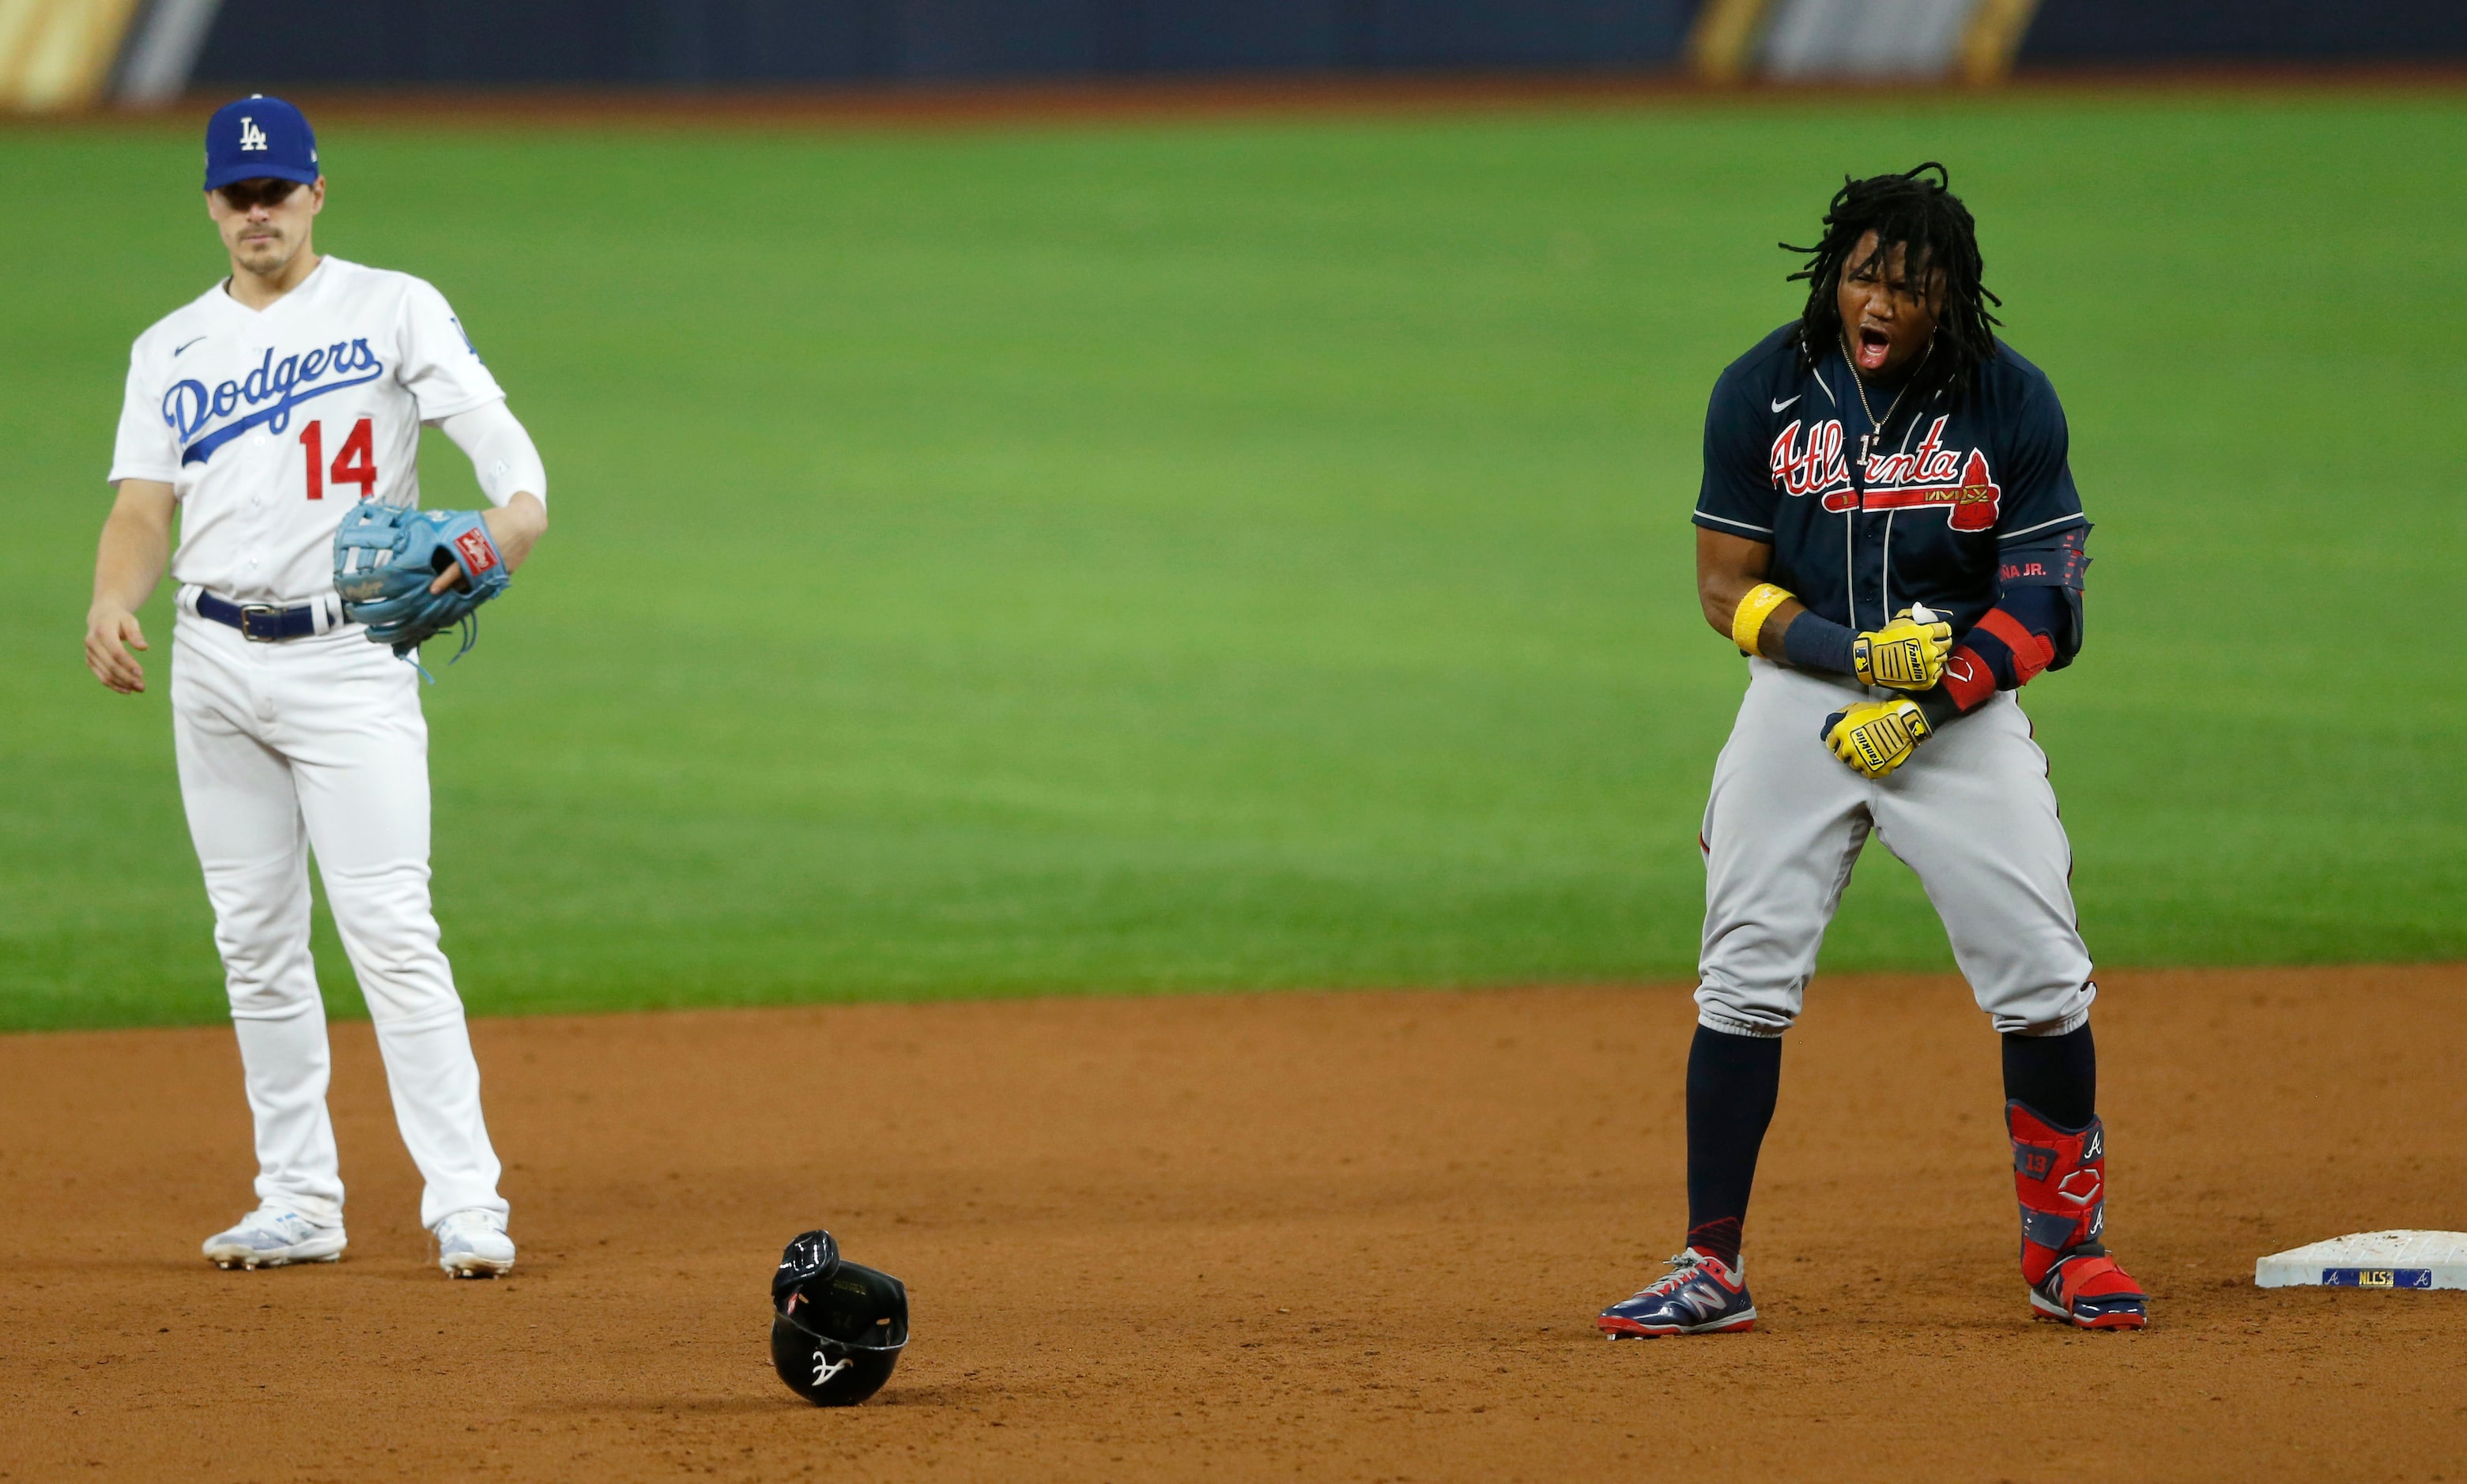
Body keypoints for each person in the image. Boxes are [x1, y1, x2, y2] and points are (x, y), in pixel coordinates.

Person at [1597, 164, 2144, 1337]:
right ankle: (1709, 1262)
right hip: (1799, 701)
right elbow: (1720, 587)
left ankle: (2067, 1249)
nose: (1880, 302)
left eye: (1907, 282)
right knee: (1741, 979)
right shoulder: (1761, 392)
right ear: (1832, 280)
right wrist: (1856, 661)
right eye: (1862, 278)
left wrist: (1928, 698)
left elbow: (2043, 601)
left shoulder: (2011, 402)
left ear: (1949, 293)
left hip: (1962, 711)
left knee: (2042, 977)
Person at [85, 95, 549, 1278]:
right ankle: (298, 1197)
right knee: (253, 938)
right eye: (237, 195)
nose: (258, 213)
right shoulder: (167, 347)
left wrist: (501, 535)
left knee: (392, 928)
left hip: (350, 661)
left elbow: (512, 466)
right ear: (209, 202)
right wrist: (111, 595)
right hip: (213, 659)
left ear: (316, 192)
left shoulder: (394, 306)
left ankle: (464, 1201)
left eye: (276, 191)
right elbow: (143, 507)